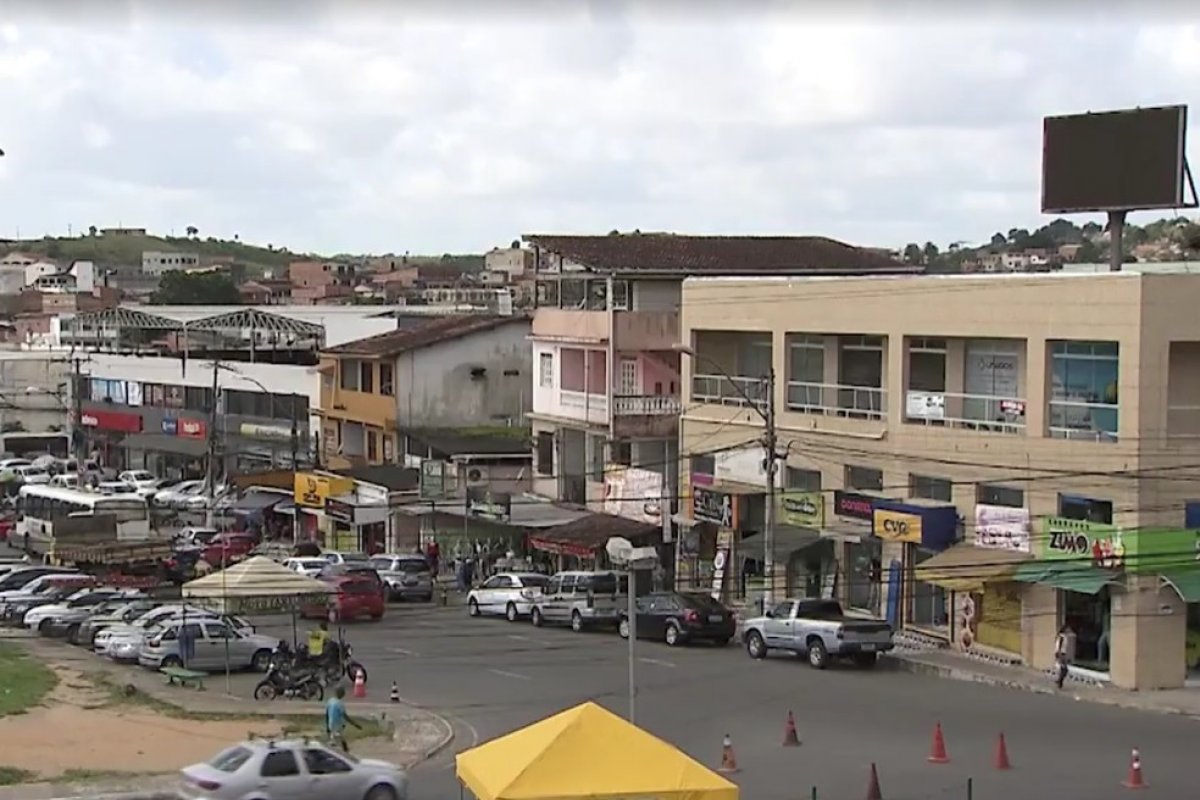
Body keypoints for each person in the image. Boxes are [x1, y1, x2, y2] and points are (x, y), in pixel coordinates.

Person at [324, 685, 362, 752]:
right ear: (341, 693)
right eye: (343, 692)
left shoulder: (330, 701)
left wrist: (327, 726)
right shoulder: (340, 704)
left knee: (337, 739)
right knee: (339, 740)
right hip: (337, 726)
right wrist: (355, 724)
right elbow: (345, 716)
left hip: (331, 724)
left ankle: (342, 750)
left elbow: (327, 714)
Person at [1054, 623, 1076, 689]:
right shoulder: (1061, 637)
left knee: (1062, 669)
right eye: (1068, 629)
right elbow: (1059, 646)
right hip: (1061, 654)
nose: (1069, 630)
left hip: (1063, 654)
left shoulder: (1064, 637)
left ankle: (1059, 681)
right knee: (1065, 669)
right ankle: (1059, 681)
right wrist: (1058, 654)